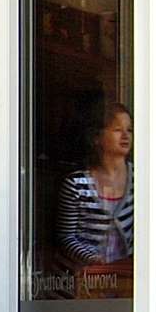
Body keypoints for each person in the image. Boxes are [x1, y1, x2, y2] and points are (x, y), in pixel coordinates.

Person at [58, 101, 134, 266]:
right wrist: (91, 260)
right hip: (86, 280)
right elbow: (66, 237)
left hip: (126, 278)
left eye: (129, 130)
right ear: (97, 137)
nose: (125, 135)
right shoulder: (76, 184)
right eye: (117, 129)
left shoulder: (139, 179)